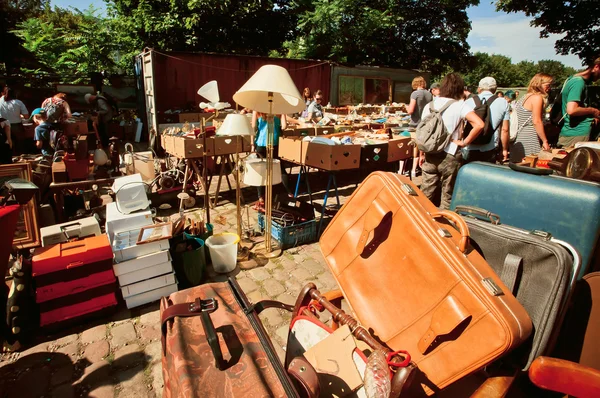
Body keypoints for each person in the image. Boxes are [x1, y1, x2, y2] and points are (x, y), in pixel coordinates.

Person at [419, 73, 484, 209]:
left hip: (430, 153)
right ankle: (444, 225)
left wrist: (421, 154)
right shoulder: (460, 105)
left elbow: (424, 133)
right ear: (459, 89)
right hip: (450, 153)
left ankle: (421, 223)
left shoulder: (429, 105)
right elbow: (479, 124)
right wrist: (464, 142)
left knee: (425, 194)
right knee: (447, 195)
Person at [506, 73, 553, 163]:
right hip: (529, 137)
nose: (549, 88)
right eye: (548, 85)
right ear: (539, 84)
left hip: (519, 138)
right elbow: (536, 121)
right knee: (531, 164)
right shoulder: (537, 98)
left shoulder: (524, 97)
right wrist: (545, 141)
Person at [463, 77, 510, 163]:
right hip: (490, 147)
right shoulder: (503, 102)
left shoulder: (468, 101)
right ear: (495, 89)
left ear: (479, 88)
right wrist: (504, 149)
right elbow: (505, 130)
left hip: (469, 146)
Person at [557, 57, 600, 148]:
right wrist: (593, 111)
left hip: (571, 133)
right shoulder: (578, 83)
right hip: (577, 134)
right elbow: (572, 110)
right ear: (596, 67)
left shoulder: (572, 79)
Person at [251, 111, 289, 204]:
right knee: (280, 168)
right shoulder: (278, 109)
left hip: (261, 142)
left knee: (261, 170)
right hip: (274, 142)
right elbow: (284, 126)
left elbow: (253, 128)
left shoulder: (257, 110)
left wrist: (252, 144)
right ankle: (288, 193)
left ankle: (261, 196)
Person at [0, 87, 29, 155]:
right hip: (16, 126)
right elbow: (26, 116)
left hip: (2, 126)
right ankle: (19, 156)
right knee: (19, 144)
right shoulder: (18, 102)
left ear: (2, 93)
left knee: (5, 143)